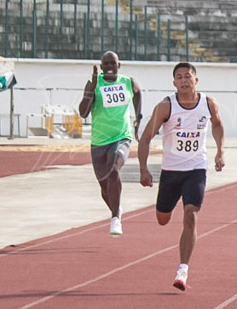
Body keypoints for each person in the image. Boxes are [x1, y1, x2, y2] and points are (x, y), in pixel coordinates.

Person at [137, 62, 225, 291]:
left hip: (196, 169)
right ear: (174, 82)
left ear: (196, 80)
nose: (184, 80)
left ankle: (183, 269)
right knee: (162, 219)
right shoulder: (166, 106)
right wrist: (143, 169)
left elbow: (217, 124)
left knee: (191, 215)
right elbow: (145, 138)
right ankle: (170, 205)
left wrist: (220, 152)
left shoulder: (208, 103)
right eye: (179, 77)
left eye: (188, 76)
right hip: (171, 172)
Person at [78, 51, 142, 236]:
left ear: (119, 65)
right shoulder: (93, 85)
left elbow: (137, 95)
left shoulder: (128, 82)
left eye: (112, 63)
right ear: (101, 66)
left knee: (114, 169)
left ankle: (115, 218)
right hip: (98, 141)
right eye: (105, 64)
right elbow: (83, 113)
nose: (109, 67)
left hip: (121, 136)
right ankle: (117, 208)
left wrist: (137, 119)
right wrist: (92, 89)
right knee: (104, 187)